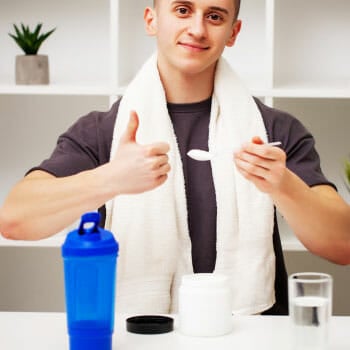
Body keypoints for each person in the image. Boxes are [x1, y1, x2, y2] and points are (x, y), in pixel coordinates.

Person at [1, 0, 350, 315]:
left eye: (215, 16)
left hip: (252, 332)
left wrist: (284, 185)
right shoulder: (103, 131)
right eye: (182, 10)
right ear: (152, 20)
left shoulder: (274, 131)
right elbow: (15, 220)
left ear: (233, 32)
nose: (197, 29)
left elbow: (342, 245)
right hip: (143, 333)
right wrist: (111, 179)